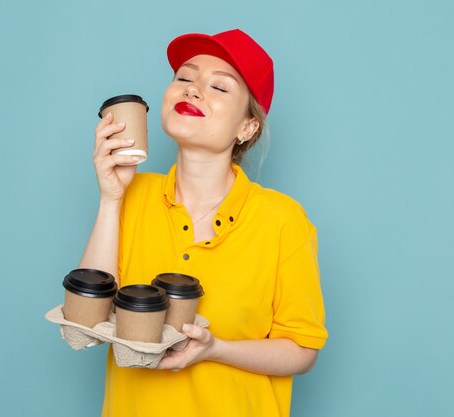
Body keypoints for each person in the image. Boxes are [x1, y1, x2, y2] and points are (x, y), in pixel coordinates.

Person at [78, 28, 328, 417]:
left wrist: (216, 350)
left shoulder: (282, 220)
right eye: (184, 77)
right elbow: (88, 318)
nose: (192, 90)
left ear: (248, 127)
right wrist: (111, 199)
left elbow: (302, 349)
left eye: (220, 87)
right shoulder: (131, 193)